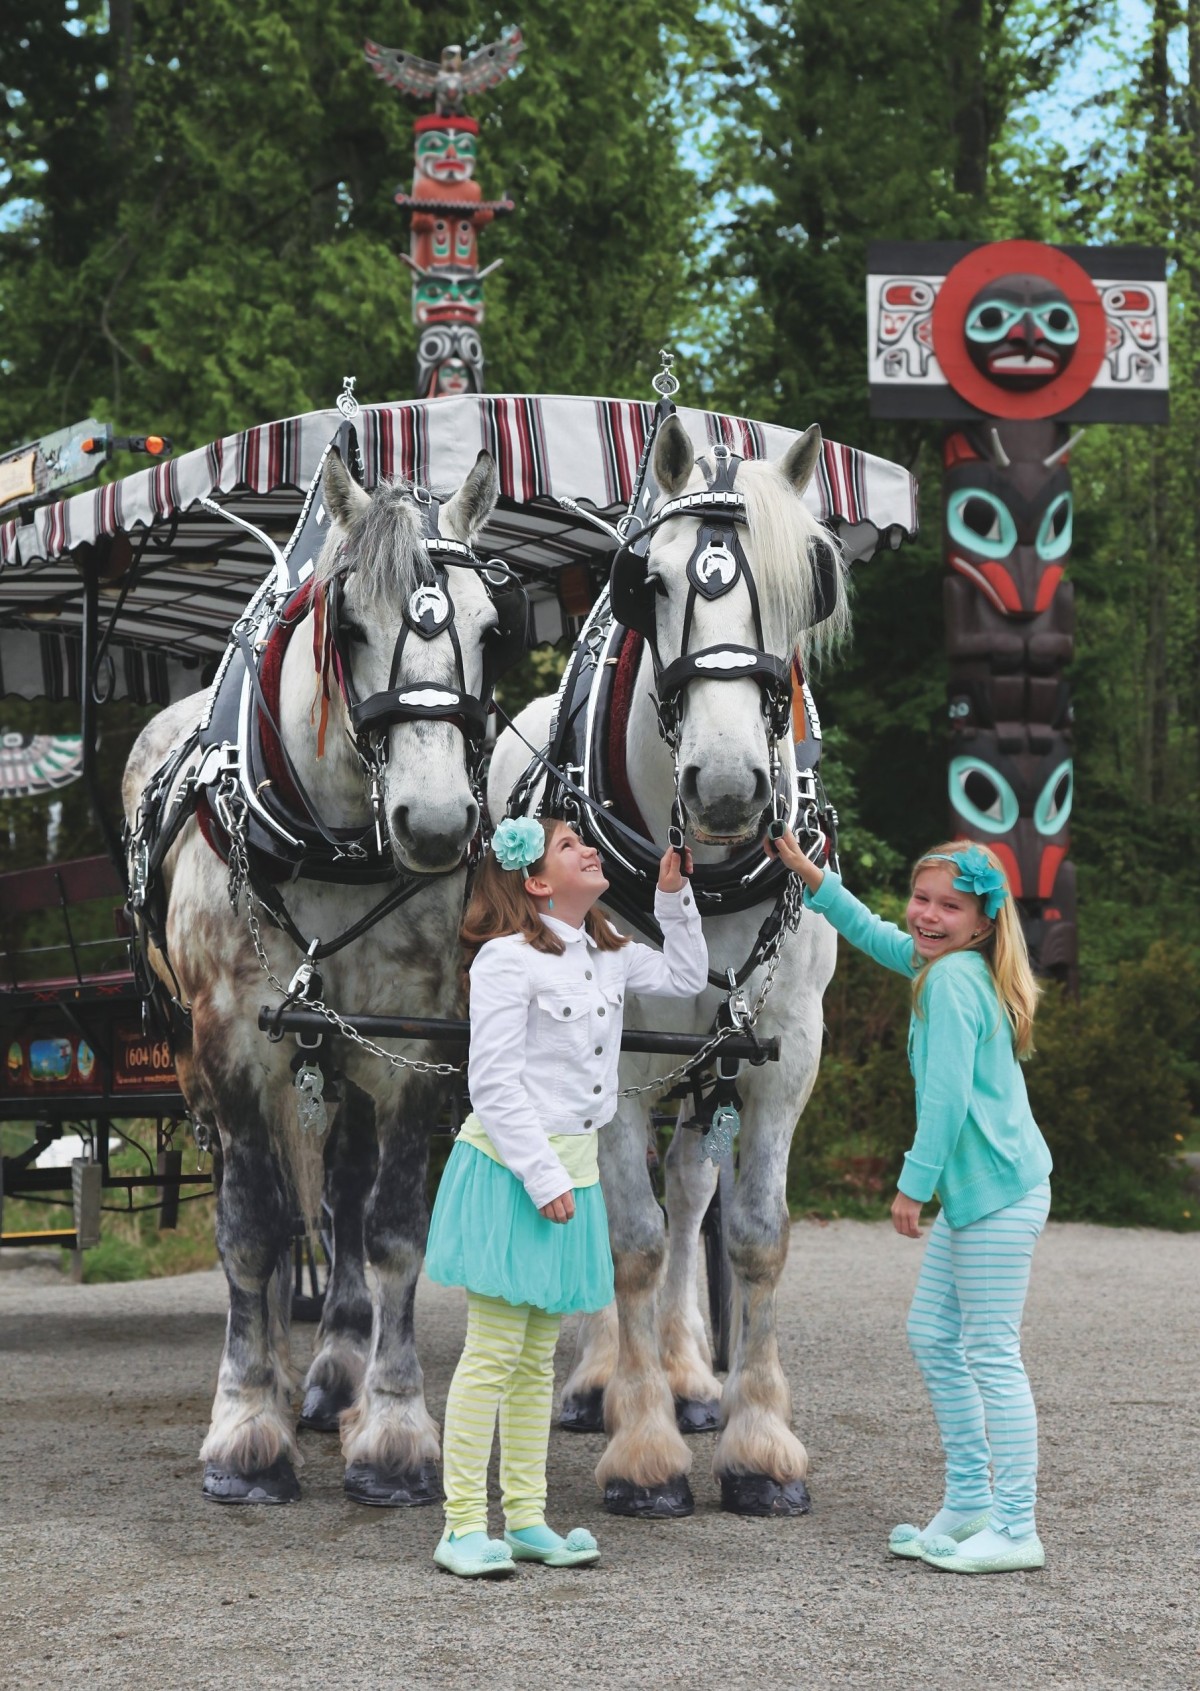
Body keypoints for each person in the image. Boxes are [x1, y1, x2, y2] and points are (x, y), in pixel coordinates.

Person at [425, 815, 709, 1578]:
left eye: (585, 839)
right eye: (568, 844)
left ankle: (525, 1517)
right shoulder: (504, 962)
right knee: (491, 1351)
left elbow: (687, 978)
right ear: (537, 881)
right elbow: (492, 1081)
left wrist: (674, 897)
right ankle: (459, 1526)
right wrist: (542, 1176)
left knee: (538, 1356)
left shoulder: (607, 952)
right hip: (514, 1169)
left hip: (574, 1168)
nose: (589, 847)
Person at [769, 828, 1052, 1575]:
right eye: (921, 898)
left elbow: (951, 1099)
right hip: (983, 1196)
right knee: (932, 1331)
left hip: (996, 1193)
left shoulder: (955, 982)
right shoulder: (943, 964)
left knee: (992, 1351)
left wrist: (911, 1185)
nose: (926, 915)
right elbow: (873, 932)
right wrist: (812, 876)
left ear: (983, 921)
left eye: (947, 906)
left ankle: (1016, 1524)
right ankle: (970, 1501)